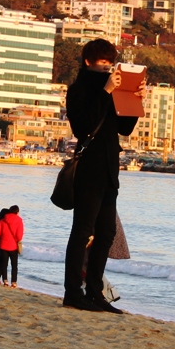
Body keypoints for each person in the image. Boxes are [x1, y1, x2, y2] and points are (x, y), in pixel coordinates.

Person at [62, 39, 138, 312]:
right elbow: (83, 126)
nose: (107, 67)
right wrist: (106, 91)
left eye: (110, 63)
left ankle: (95, 292)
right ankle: (73, 292)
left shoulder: (113, 89)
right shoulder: (79, 89)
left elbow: (125, 128)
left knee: (106, 232)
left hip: (109, 169)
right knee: (82, 231)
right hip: (89, 169)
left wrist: (134, 98)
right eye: (103, 62)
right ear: (88, 62)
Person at [0, 205, 24, 286]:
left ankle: (5, 281)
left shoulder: (3, 220)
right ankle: (14, 282)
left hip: (3, 245)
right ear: (17, 212)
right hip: (13, 246)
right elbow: (19, 236)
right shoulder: (19, 221)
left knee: (4, 264)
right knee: (14, 265)